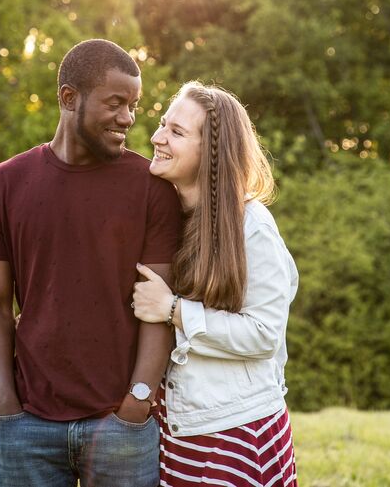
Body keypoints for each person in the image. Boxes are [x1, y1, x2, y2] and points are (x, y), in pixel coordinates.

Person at [0, 39, 182, 487]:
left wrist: (137, 401)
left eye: (134, 105)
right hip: (29, 427)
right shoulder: (2, 186)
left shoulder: (151, 188)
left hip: (122, 425)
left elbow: (158, 309)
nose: (128, 117)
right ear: (69, 98)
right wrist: (7, 405)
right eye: (116, 103)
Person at [132, 81, 299, 487]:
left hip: (236, 430)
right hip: (179, 430)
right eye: (162, 124)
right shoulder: (166, 218)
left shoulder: (251, 226)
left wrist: (174, 310)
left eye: (176, 132)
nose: (157, 138)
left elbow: (264, 334)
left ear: (211, 152)